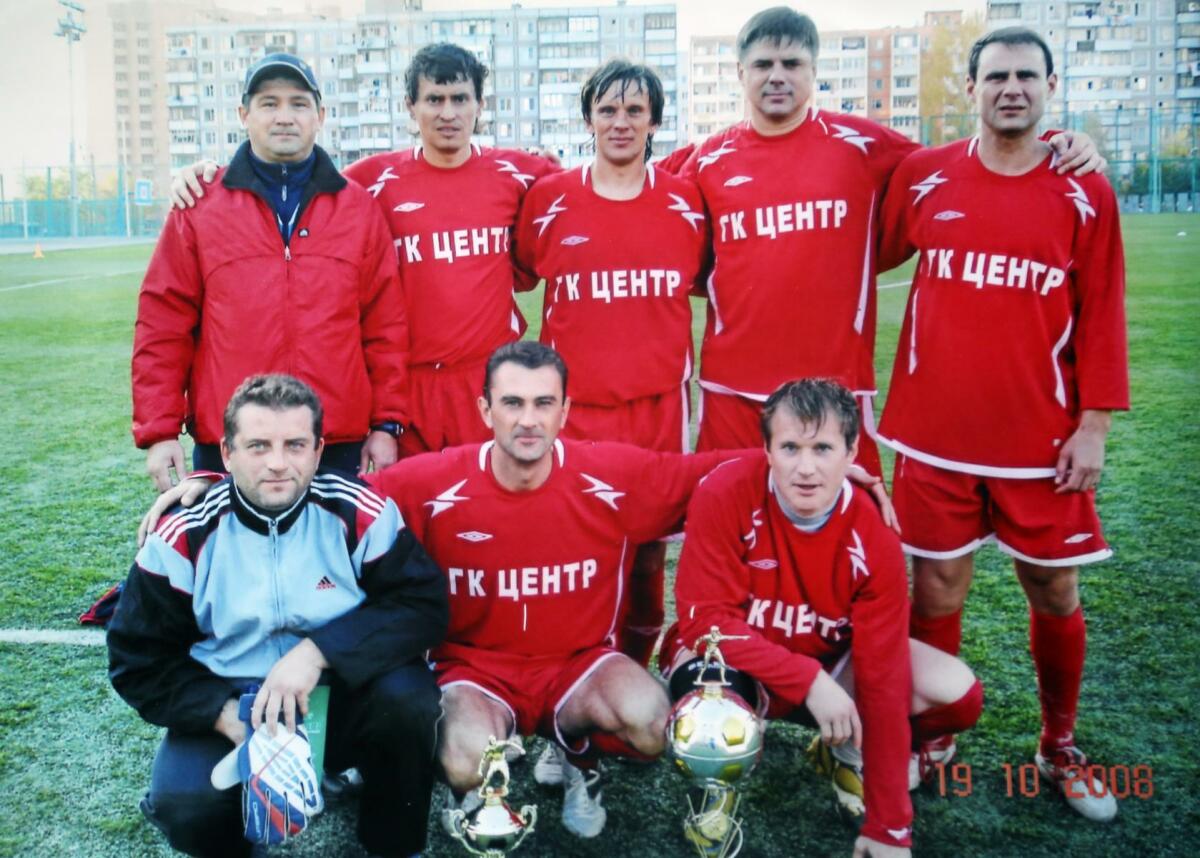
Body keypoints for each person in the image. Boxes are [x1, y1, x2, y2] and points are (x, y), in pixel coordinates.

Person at [874, 27, 1129, 823]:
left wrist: (1094, 427)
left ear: (1050, 86)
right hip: (934, 433)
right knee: (936, 584)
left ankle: (1059, 745)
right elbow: (862, 252)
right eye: (995, 77)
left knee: (1053, 586)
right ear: (971, 89)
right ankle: (933, 738)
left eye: (1026, 76)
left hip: (1040, 441)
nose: (1010, 88)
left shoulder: (1085, 190)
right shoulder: (924, 176)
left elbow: (1103, 312)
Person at [677, 7, 1104, 477]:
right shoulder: (708, 158)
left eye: (792, 64)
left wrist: (1052, 142)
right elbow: (649, 197)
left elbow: (964, 167)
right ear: (741, 73)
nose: (777, 76)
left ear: (814, 71)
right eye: (763, 64)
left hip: (837, 385)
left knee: (845, 515)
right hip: (732, 386)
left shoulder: (863, 144)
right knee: (729, 508)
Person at [109, 374, 448, 858]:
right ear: (226, 454)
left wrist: (318, 652)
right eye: (258, 446)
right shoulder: (183, 536)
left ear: (318, 450)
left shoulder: (358, 512)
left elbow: (422, 604)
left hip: (343, 695)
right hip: (234, 703)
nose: (277, 463)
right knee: (185, 803)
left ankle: (390, 843)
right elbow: (136, 660)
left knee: (409, 701)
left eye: (295, 445)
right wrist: (224, 715)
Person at [170, 43, 556, 457]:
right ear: (410, 106)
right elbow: (298, 182)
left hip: (487, 377)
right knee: (409, 496)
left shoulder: (521, 173)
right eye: (434, 100)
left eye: (460, 99)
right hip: (408, 384)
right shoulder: (368, 181)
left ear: (480, 104)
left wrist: (552, 162)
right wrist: (205, 174)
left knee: (490, 491)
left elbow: (584, 191)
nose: (448, 113)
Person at [666, 379, 984, 858]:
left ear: (851, 452)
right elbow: (704, 622)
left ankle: (846, 753)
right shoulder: (725, 491)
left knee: (956, 692)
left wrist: (889, 829)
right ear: (767, 449)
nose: (806, 468)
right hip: (737, 665)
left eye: (823, 448)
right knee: (707, 698)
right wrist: (807, 680)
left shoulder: (874, 536)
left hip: (831, 664)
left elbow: (883, 677)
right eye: (790, 447)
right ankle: (715, 793)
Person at [133, 53, 408, 489]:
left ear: (320, 116)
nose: (284, 116)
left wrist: (386, 423)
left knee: (335, 538)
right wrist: (159, 430)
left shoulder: (358, 207)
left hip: (333, 441)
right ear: (244, 114)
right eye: (269, 103)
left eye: (298, 103)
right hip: (235, 440)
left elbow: (384, 326)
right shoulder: (200, 205)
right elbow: (163, 323)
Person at [514, 59, 709, 671]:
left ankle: (633, 670)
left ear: (654, 121)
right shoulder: (548, 199)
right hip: (574, 410)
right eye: (608, 110)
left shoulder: (686, 202)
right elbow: (524, 267)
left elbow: (704, 277)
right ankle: (571, 673)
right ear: (589, 120)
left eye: (634, 110)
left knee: (648, 551)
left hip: (657, 406)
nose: (620, 122)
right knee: (571, 546)